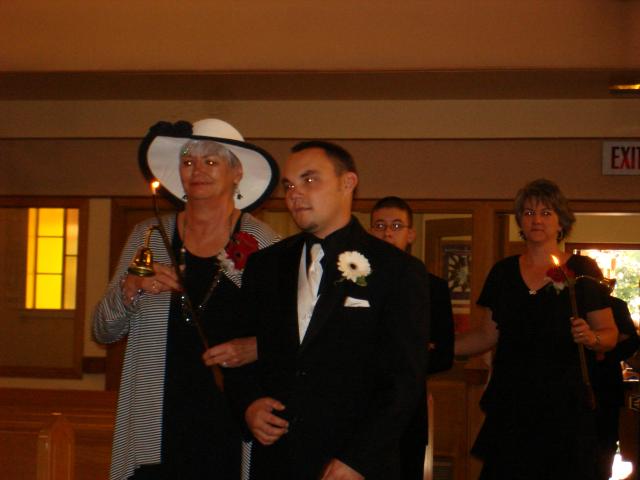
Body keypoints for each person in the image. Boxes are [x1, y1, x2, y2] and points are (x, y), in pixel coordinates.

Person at [224, 141, 430, 480]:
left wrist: (359, 459)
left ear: (348, 183)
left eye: (309, 180)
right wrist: (249, 404)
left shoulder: (397, 270)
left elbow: (405, 379)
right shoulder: (266, 265)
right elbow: (240, 351)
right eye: (289, 185)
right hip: (278, 458)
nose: (294, 194)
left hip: (355, 462)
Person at [93, 119, 280, 480]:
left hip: (231, 418)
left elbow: (290, 335)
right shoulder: (148, 236)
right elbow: (102, 330)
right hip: (155, 420)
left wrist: (257, 346)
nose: (198, 171)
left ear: (237, 172)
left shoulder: (263, 242)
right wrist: (130, 288)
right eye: (188, 162)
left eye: (211, 162)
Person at [455, 178, 618, 480]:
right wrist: (436, 345)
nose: (537, 220)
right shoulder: (503, 272)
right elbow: (487, 335)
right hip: (514, 399)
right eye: (529, 213)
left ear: (561, 221)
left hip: (564, 402)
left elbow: (609, 334)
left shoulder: (582, 269)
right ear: (520, 220)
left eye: (545, 212)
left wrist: (591, 337)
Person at [369, 196, 454, 480]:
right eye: (380, 225)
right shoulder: (352, 280)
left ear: (410, 234)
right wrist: (412, 350)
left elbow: (442, 355)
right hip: (361, 405)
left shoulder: (433, 287)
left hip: (409, 408)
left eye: (396, 226)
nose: (387, 233)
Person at [593, 294, 640, 480]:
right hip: (603, 384)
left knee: (607, 439)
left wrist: (605, 354)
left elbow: (632, 344)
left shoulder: (616, 305)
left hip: (607, 385)